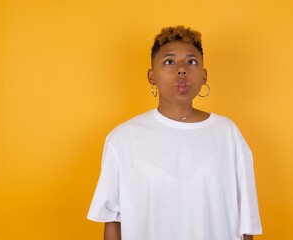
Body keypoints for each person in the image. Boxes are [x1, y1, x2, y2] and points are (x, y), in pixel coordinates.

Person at [87, 26, 262, 240]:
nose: (181, 69)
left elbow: (246, 219)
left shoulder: (227, 134)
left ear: (204, 75)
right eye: (169, 62)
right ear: (152, 76)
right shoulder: (123, 139)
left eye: (191, 62)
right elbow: (113, 219)